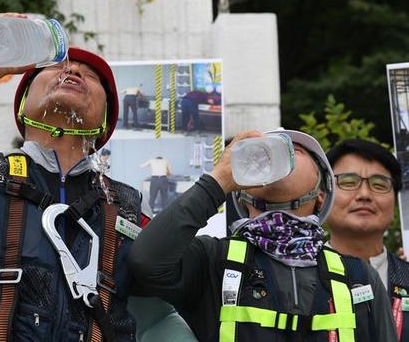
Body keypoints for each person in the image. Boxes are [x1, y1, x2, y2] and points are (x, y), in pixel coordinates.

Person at [0, 13, 197, 342]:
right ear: (22, 105)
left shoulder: (130, 210)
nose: (72, 70)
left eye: (91, 76)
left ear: (105, 122)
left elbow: (159, 318)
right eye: (57, 67)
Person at [129, 129, 397, 341]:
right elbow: (146, 261)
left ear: (320, 195)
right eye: (264, 154)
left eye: (297, 150)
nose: (280, 154)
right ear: (244, 194)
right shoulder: (212, 260)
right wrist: (220, 180)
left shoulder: (358, 278)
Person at [326, 139, 409, 341]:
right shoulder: (299, 277)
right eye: (348, 182)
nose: (364, 194)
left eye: (379, 185)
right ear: (322, 196)